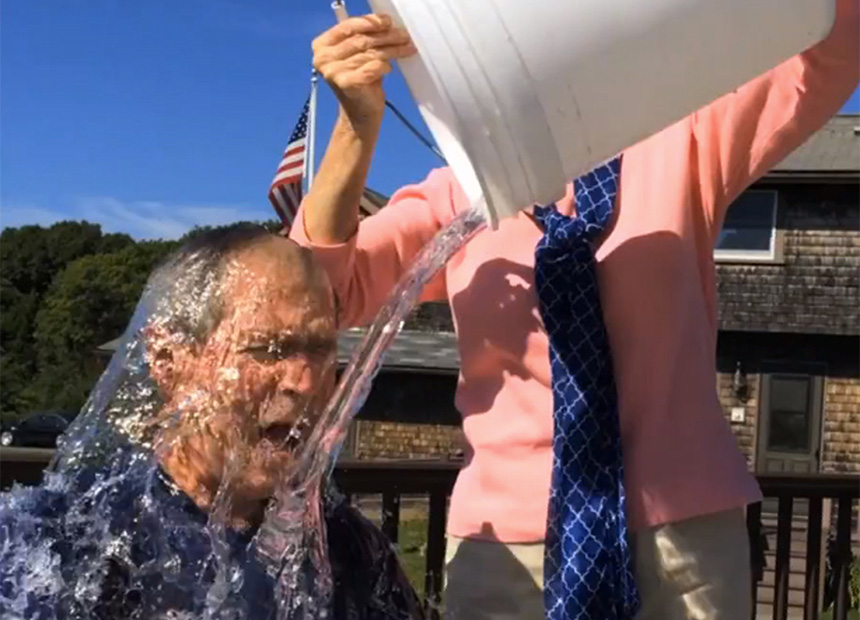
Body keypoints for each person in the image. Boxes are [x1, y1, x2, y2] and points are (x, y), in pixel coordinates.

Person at [291, 4, 859, 619]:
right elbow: (319, 295)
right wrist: (356, 127)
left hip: (684, 538)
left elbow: (832, 44)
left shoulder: (685, 138)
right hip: (504, 553)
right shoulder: (456, 195)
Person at [0, 225, 425, 620]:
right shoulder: (67, 540)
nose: (306, 383)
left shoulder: (350, 550)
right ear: (167, 360)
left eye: (320, 350)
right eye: (267, 348)